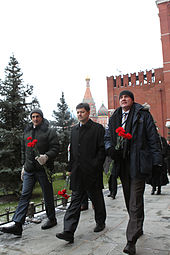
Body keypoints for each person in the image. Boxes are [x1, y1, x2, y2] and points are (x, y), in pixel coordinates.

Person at [104, 90, 162, 255]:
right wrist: (110, 149)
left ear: (132, 100)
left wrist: (157, 160)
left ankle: (131, 240)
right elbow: (108, 136)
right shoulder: (115, 116)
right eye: (121, 97)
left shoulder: (143, 115)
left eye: (126, 97)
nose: (123, 99)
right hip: (122, 164)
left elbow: (152, 137)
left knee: (135, 200)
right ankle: (138, 226)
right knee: (130, 198)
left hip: (138, 163)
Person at [0, 108, 59, 236]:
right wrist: (23, 166)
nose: (35, 119)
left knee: (47, 193)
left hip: (43, 169)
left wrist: (47, 156)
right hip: (29, 169)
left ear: (41, 117)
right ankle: (18, 225)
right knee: (25, 195)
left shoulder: (49, 131)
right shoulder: (27, 131)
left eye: (38, 116)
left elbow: (55, 148)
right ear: (31, 118)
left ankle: (52, 219)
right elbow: (24, 151)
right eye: (33, 116)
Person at [56, 102, 106, 243]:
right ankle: (68, 231)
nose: (79, 114)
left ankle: (100, 222)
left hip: (92, 171)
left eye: (82, 112)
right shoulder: (74, 130)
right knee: (75, 201)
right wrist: (70, 168)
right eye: (77, 112)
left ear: (88, 113)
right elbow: (72, 151)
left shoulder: (97, 129)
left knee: (96, 198)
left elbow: (102, 150)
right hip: (78, 172)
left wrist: (96, 165)